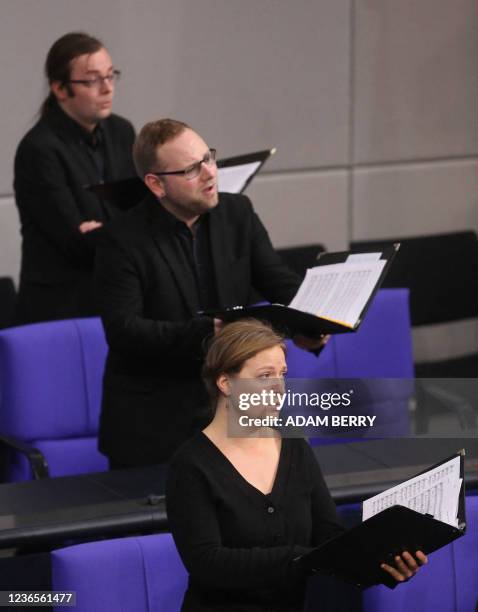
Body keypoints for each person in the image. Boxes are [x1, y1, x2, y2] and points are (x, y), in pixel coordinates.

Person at [94, 118, 325, 468]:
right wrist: (207, 333)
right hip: (153, 419)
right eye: (191, 169)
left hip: (231, 407)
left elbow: (277, 281)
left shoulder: (237, 213)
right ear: (156, 184)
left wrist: (311, 320)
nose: (209, 173)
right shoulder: (121, 239)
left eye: (209, 158)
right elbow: (123, 329)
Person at [166, 319, 428, 611]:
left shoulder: (295, 448)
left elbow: (330, 538)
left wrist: (384, 560)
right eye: (265, 376)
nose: (279, 388)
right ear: (226, 383)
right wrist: (302, 558)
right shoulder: (190, 465)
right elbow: (208, 563)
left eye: (283, 375)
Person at [14, 32, 136, 324]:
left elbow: (137, 209)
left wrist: (104, 229)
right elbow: (74, 242)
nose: (107, 88)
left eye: (111, 76)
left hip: (115, 293)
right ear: (60, 88)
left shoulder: (122, 131)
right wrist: (128, 229)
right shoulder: (39, 149)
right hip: (62, 306)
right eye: (93, 80)